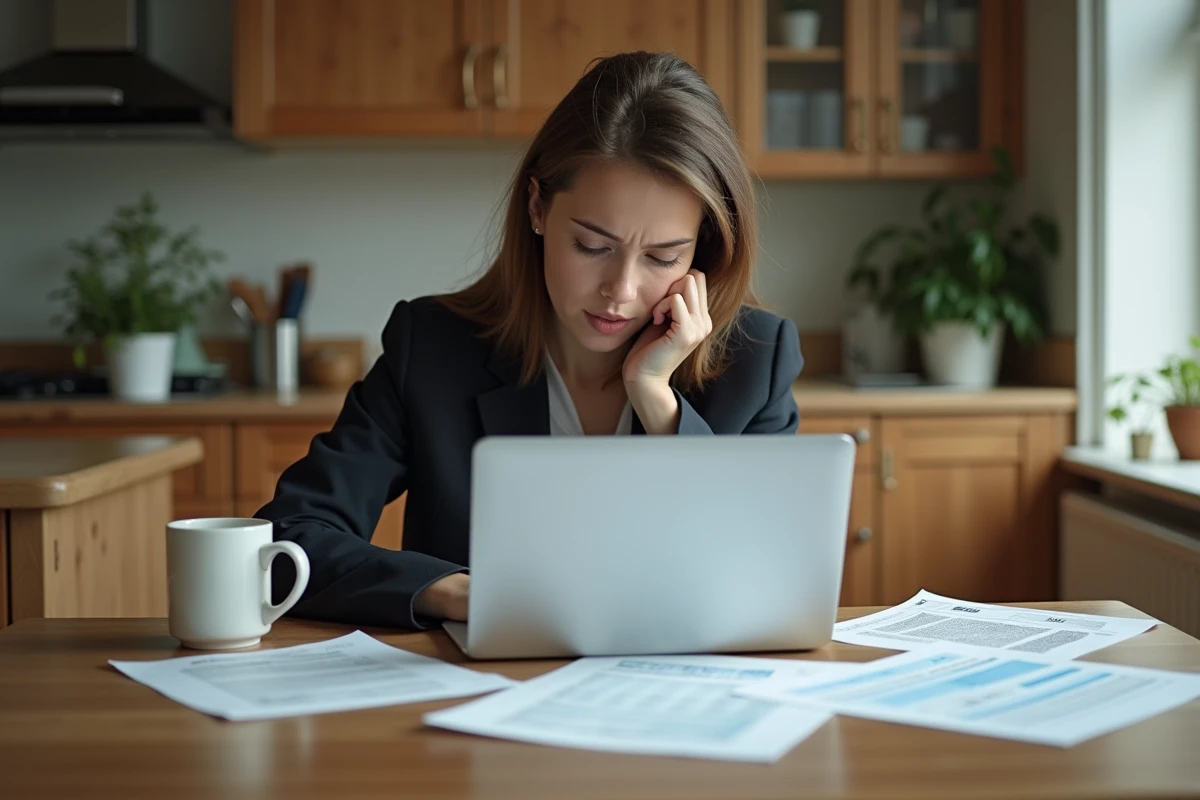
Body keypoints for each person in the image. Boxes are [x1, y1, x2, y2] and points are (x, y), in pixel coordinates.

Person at [257, 51, 805, 631]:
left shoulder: (757, 361)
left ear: (703, 250)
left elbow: (770, 578)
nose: (620, 290)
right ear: (538, 207)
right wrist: (453, 593)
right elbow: (288, 542)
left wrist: (657, 400)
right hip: (479, 695)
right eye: (592, 246)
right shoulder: (434, 348)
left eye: (662, 257)